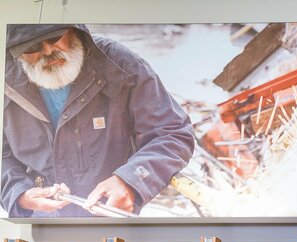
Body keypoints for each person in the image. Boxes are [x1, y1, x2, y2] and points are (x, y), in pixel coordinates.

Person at [2, 24, 195, 217]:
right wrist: (18, 194)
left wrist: (129, 181)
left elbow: (172, 133)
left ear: (74, 30)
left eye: (54, 38)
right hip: (38, 223)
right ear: (15, 53)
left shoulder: (119, 64)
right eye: (31, 47)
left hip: (110, 217)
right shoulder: (5, 80)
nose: (48, 51)